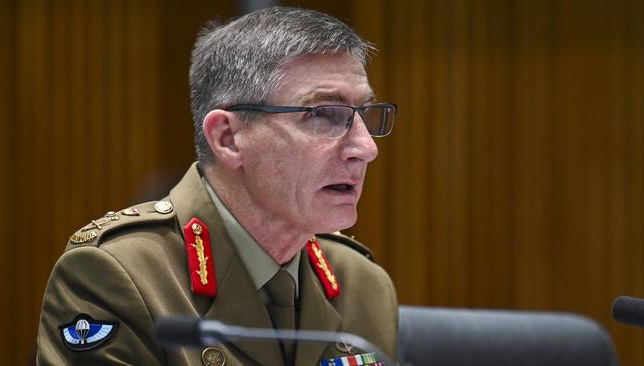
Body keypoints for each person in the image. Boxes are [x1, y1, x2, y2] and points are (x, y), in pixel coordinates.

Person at [36, 6, 398, 366]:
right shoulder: (117, 275)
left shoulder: (363, 284)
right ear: (228, 138)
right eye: (323, 114)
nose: (366, 148)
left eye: (364, 114)